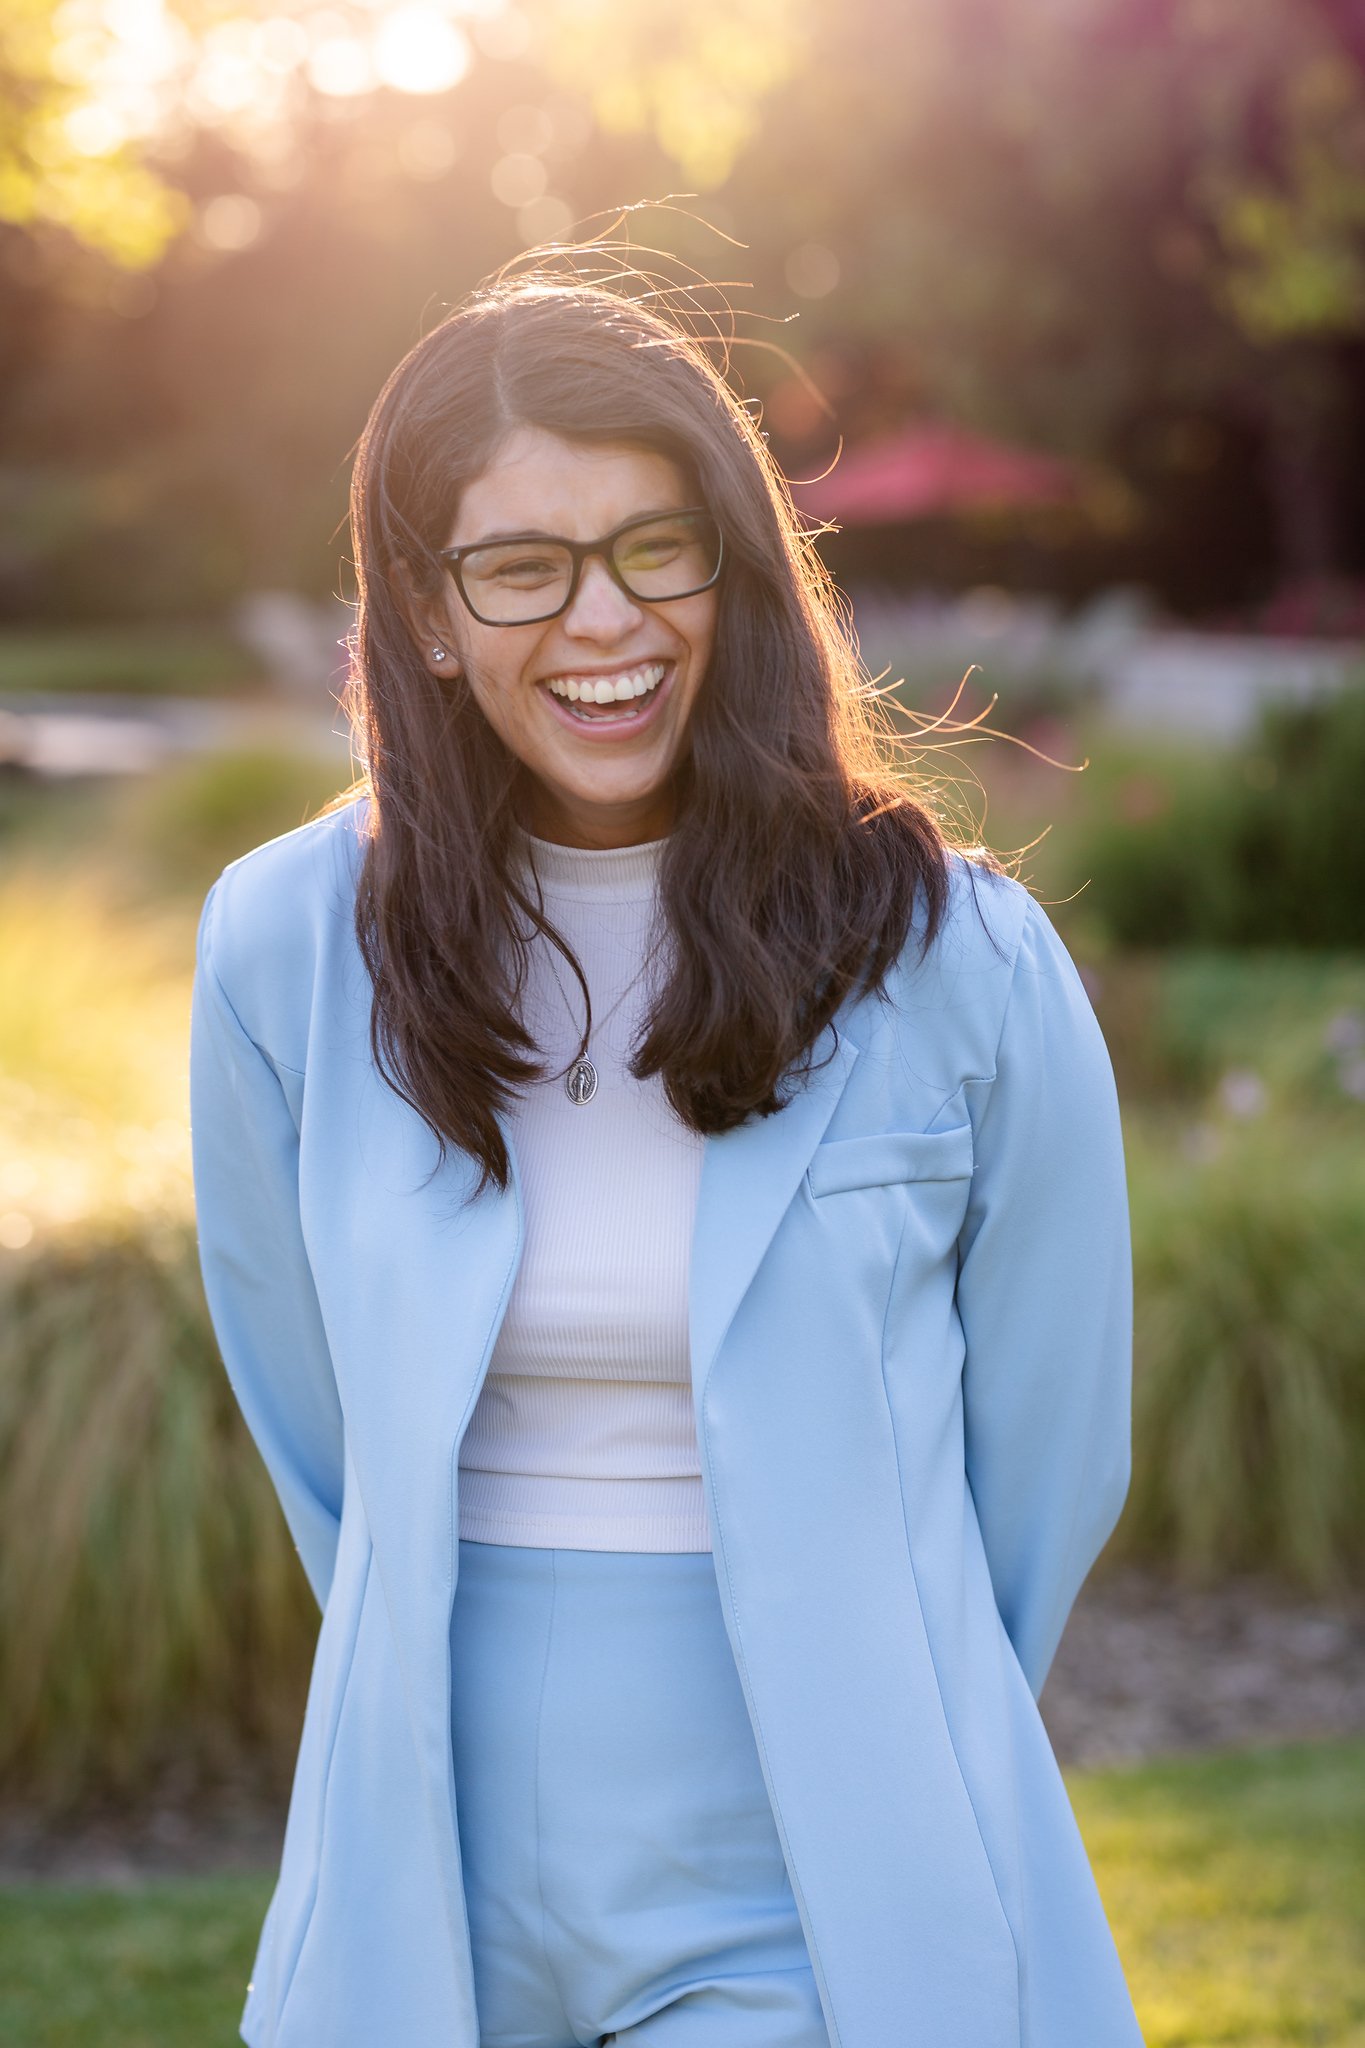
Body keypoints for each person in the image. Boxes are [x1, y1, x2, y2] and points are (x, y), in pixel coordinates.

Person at [189, 261, 1145, 2048]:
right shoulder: (283, 947)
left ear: (736, 561)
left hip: (815, 1873)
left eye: (655, 546)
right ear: (426, 606)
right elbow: (318, 1426)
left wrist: (896, 1709)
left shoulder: (961, 960)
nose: (601, 623)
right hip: (422, 1864)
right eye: (519, 566)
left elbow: (1050, 1447)